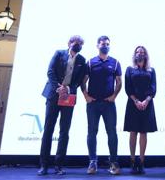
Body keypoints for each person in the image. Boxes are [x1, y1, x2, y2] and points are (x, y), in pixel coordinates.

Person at [38, 35, 87, 175]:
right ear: (69, 43)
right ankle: (44, 165)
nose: (77, 45)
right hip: (54, 95)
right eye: (75, 42)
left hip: (68, 97)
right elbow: (50, 71)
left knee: (64, 132)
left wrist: (68, 89)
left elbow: (79, 80)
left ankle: (58, 166)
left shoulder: (82, 60)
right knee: (48, 130)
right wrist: (58, 88)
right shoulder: (59, 53)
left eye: (80, 44)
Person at [82, 36, 122, 175]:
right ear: (97, 45)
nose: (105, 46)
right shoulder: (90, 62)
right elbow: (83, 81)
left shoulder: (115, 63)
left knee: (112, 133)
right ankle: (93, 162)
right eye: (103, 44)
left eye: (107, 44)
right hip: (93, 104)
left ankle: (113, 162)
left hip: (108, 104)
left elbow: (119, 82)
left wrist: (114, 96)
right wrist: (86, 96)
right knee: (92, 133)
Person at [123, 46, 157, 174]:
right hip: (133, 103)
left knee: (143, 132)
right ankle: (132, 160)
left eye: (142, 52)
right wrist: (136, 101)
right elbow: (128, 88)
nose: (140, 54)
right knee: (133, 132)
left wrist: (146, 101)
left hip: (147, 104)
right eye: (138, 52)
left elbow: (153, 88)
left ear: (146, 55)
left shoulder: (151, 70)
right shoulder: (130, 69)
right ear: (135, 54)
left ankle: (141, 161)